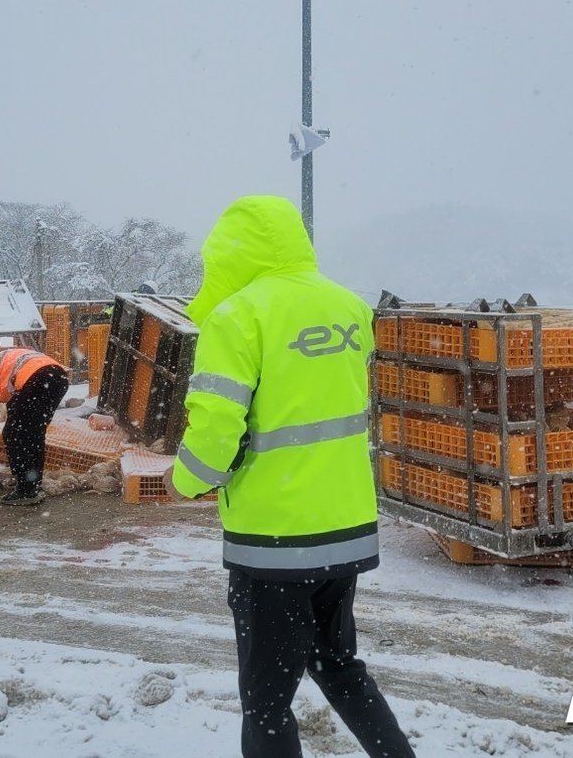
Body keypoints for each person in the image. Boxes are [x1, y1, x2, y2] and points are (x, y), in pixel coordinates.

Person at [164, 195, 416, 758]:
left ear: (229, 254)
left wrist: (180, 481)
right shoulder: (348, 308)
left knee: (266, 699)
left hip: (274, 540)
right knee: (339, 665)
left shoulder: (237, 317)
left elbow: (213, 435)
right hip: (345, 523)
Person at [0, 345, 68, 507]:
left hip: (37, 379)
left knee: (14, 434)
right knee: (33, 434)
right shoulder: (3, 362)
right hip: (57, 378)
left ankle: (26, 489)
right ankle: (31, 484)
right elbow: (13, 400)